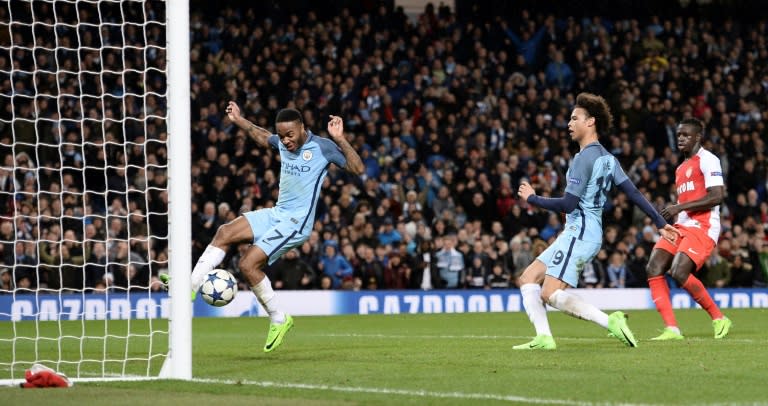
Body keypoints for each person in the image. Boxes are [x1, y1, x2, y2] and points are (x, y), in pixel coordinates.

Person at [178, 102, 364, 352]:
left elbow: (357, 168)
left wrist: (340, 139)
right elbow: (261, 134)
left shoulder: (322, 147)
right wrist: (239, 120)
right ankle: (190, 286)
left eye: (290, 135)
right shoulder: (281, 142)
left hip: (296, 224)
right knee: (225, 232)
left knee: (247, 265)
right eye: (282, 136)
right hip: (278, 213)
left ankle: (279, 318)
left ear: (302, 128)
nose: (286, 141)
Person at [513, 92, 679, 350]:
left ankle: (609, 321)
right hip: (585, 232)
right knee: (528, 278)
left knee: (548, 292)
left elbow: (568, 204)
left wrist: (533, 199)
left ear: (590, 122)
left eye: (574, 118)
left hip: (579, 232)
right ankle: (544, 337)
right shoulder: (608, 158)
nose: (569, 124)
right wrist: (659, 222)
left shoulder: (584, 158)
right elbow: (633, 193)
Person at [644, 118, 731, 340]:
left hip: (703, 225)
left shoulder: (708, 160)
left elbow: (717, 196)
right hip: (682, 225)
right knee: (654, 267)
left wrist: (678, 207)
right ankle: (672, 329)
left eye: (686, 135)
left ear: (697, 137)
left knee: (679, 271)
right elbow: (686, 201)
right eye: (679, 134)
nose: (681, 138)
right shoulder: (680, 168)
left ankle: (719, 318)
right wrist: (671, 223)